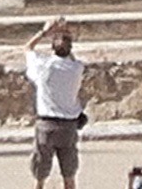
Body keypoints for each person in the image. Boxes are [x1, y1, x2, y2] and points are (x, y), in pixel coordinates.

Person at [24, 17, 85, 189]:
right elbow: (71, 59)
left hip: (46, 125)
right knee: (69, 176)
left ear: (52, 48)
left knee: (40, 176)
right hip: (69, 127)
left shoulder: (44, 67)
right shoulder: (76, 68)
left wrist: (44, 32)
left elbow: (27, 48)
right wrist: (65, 33)